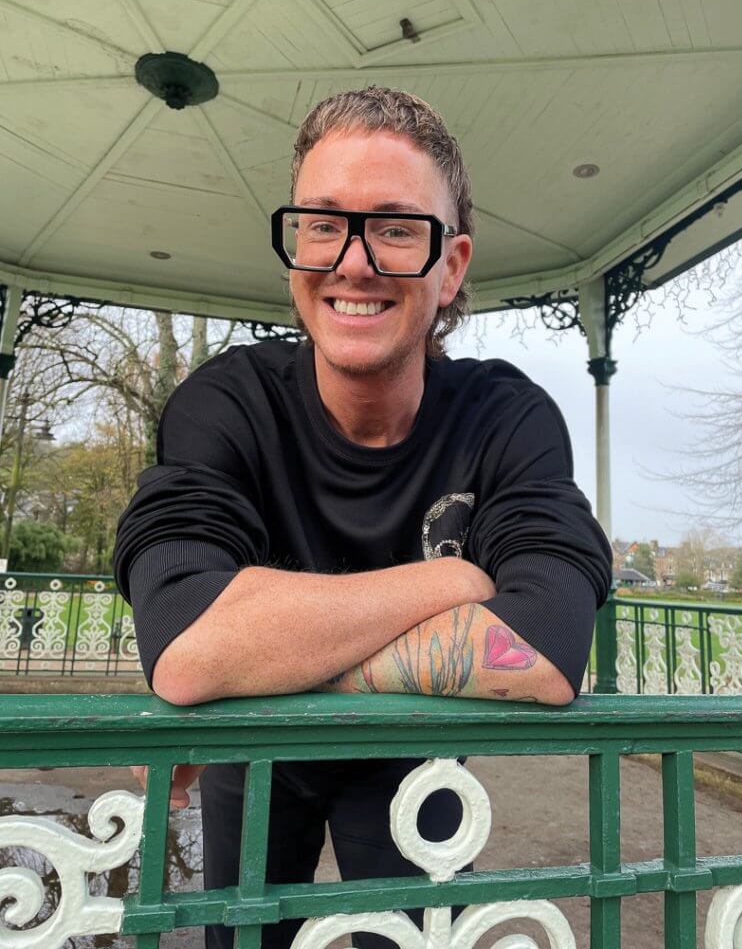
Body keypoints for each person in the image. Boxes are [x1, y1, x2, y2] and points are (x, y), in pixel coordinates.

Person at [114, 86, 612, 949]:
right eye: (322, 223)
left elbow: (549, 646)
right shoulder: (225, 405)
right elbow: (185, 642)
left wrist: (251, 653)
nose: (353, 261)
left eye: (396, 228)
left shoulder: (506, 418)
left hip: (413, 748)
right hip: (255, 750)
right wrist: (453, 582)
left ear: (451, 265)